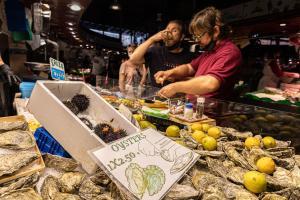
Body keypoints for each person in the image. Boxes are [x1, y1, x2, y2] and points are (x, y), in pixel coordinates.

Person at [155, 7, 242, 101]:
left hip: (212, 113)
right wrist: (169, 73)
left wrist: (175, 87)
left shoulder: (229, 52)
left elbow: (210, 83)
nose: (197, 40)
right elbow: (189, 68)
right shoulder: (209, 51)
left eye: (199, 36)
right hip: (195, 109)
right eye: (195, 36)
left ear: (216, 31)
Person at [128, 20, 194, 88]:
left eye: (174, 30)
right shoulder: (156, 51)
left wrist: (177, 79)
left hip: (180, 97)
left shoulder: (190, 57)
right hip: (155, 97)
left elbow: (196, 80)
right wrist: (152, 39)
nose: (169, 33)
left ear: (182, 37)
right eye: (167, 29)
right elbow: (133, 59)